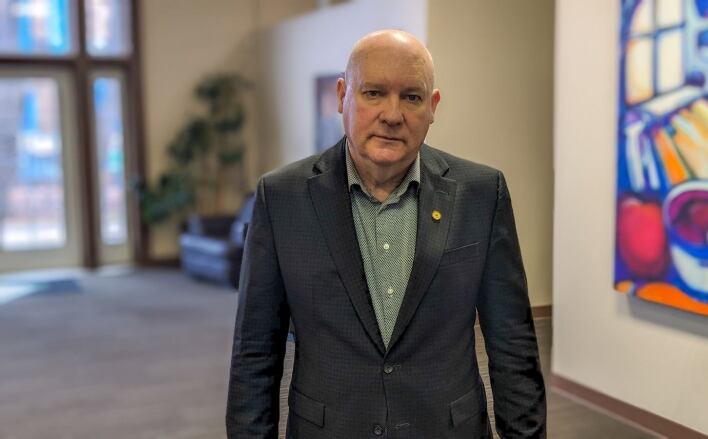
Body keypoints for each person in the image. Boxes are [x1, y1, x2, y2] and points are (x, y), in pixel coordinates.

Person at [226, 29, 546, 438]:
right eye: (373, 92)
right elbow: (255, 353)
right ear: (342, 96)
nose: (392, 114)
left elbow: (513, 346)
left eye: (411, 97)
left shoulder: (482, 193)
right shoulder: (282, 198)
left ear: (432, 107)